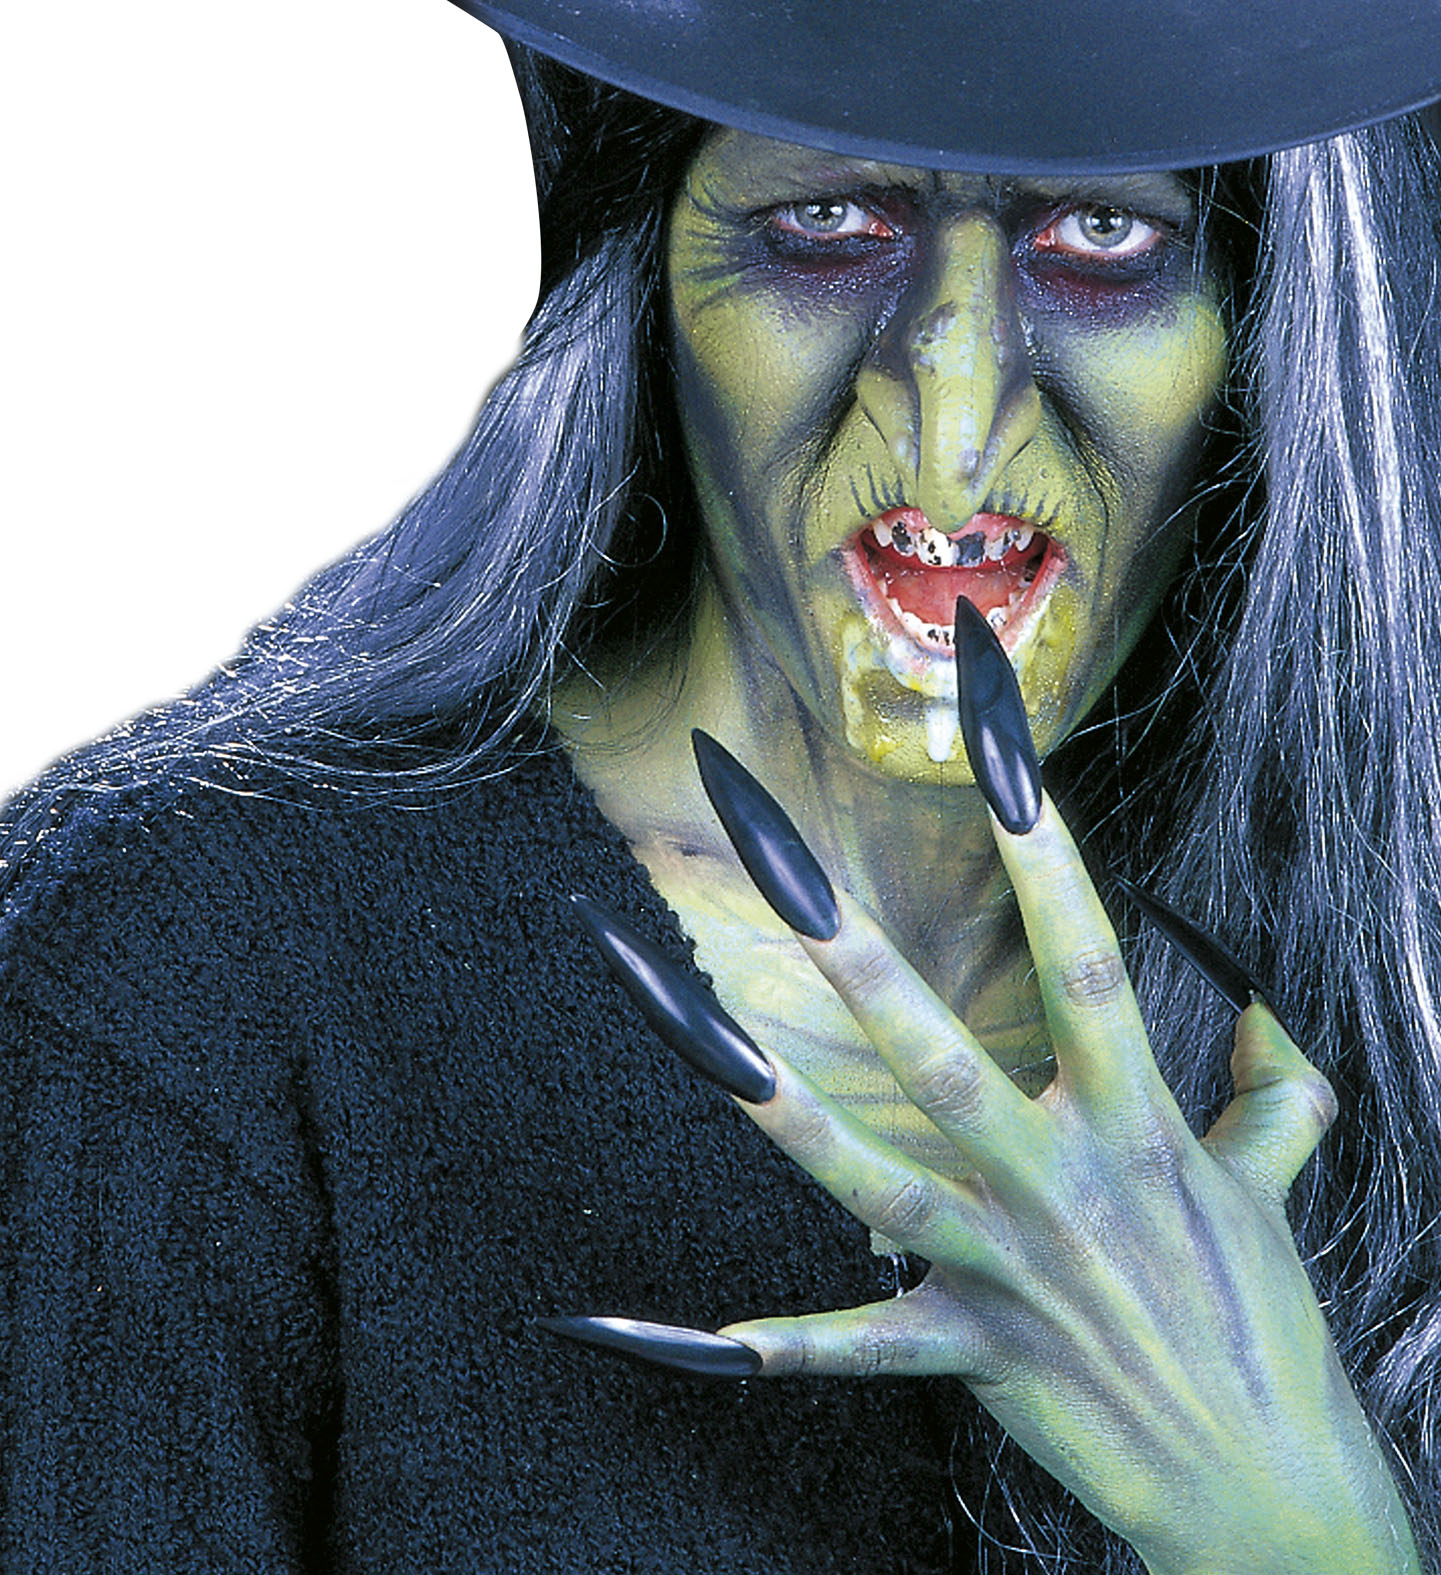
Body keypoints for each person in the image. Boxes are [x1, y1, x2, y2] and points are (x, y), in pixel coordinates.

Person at [4, 1, 1441, 1569]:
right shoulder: (182, 968)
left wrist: (1289, 1519)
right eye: (828, 223)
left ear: (1270, 317)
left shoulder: (1402, 983)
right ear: (645, 279)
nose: (950, 425)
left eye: (1100, 234)